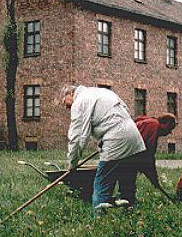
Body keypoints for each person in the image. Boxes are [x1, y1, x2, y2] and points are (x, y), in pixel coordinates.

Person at [61, 85, 146, 214]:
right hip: (134, 136)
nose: (66, 107)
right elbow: (124, 110)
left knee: (102, 184)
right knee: (127, 184)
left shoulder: (79, 102)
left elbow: (76, 139)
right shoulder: (102, 92)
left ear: (70, 93)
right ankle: (130, 219)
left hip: (116, 138)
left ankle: (100, 222)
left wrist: (72, 165)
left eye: (64, 101)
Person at [118, 114, 176, 204]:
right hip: (127, 151)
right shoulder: (153, 125)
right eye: (169, 129)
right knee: (128, 176)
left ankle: (127, 200)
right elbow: (148, 151)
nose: (169, 133)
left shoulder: (149, 121)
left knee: (128, 177)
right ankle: (127, 202)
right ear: (166, 124)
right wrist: (152, 174)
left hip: (127, 150)